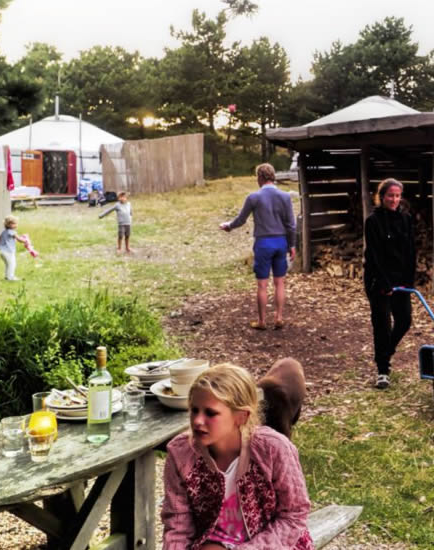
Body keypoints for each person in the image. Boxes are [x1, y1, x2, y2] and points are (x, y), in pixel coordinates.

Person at [162, 363, 313, 550]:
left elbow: (294, 514)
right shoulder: (181, 453)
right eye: (194, 410)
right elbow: (177, 524)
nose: (198, 421)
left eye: (211, 413)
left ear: (241, 417)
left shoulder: (273, 449)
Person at [220, 164, 296, 330]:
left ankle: (262, 321)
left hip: (263, 243)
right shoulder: (285, 196)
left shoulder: (253, 197)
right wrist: (292, 245)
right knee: (279, 283)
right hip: (281, 242)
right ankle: (279, 317)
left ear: (260, 178)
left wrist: (228, 226)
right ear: (273, 177)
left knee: (262, 285)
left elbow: (241, 220)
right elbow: (291, 225)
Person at [363, 178, 416, 390]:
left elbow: (410, 251)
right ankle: (383, 371)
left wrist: (409, 280)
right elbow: (374, 255)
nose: (394, 199)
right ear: (382, 196)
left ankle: (385, 352)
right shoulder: (373, 222)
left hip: (401, 279)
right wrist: (384, 283)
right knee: (382, 325)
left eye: (397, 196)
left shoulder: (405, 219)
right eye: (390, 196)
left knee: (404, 321)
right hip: (378, 280)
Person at [0, 216, 35, 281]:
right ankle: (10, 277)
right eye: (14, 223)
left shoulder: (4, 232)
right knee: (12, 264)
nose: (16, 225)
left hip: (2, 252)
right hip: (8, 252)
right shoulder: (12, 232)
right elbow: (19, 239)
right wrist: (25, 240)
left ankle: (7, 276)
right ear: (8, 224)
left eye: (16, 223)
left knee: (8, 264)